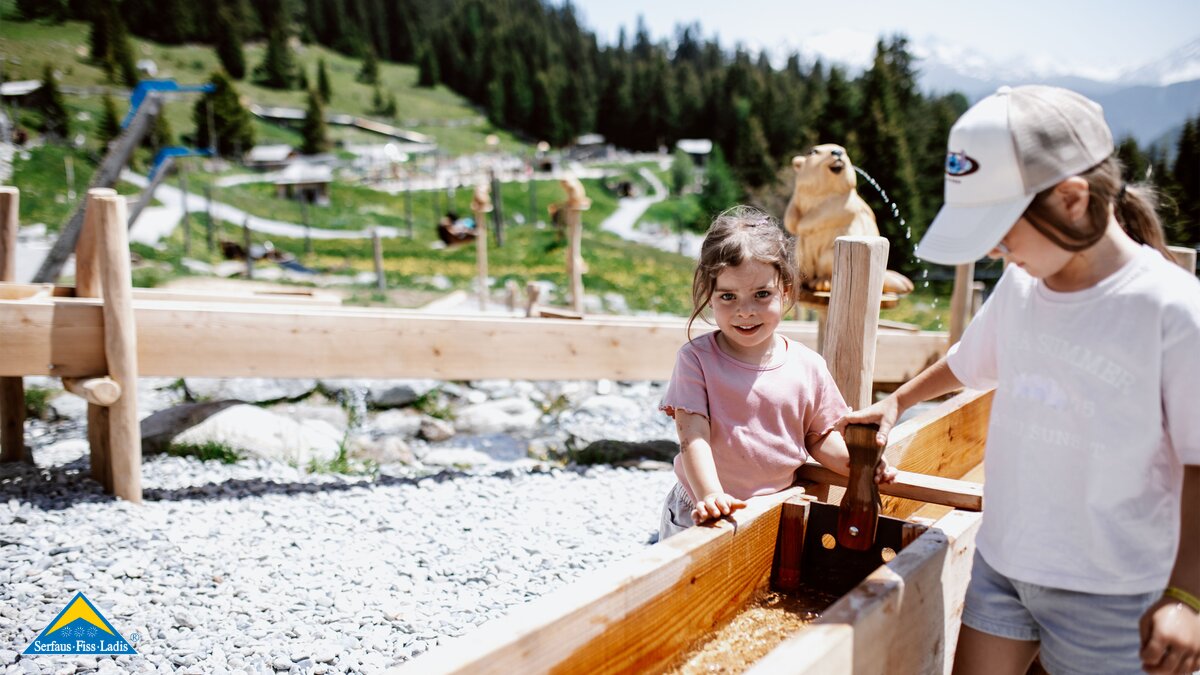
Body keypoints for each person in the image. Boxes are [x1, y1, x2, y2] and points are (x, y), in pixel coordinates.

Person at [837, 85, 1200, 675]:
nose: (998, 252)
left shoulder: (1174, 312)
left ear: (1072, 199)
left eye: (1002, 231)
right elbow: (969, 361)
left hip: (1117, 594)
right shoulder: (1023, 286)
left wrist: (1188, 600)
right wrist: (896, 403)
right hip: (1004, 567)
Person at [658, 205, 896, 540]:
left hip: (776, 510)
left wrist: (860, 468)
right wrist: (711, 495)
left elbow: (819, 436)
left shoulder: (808, 366)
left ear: (784, 290)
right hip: (703, 508)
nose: (745, 311)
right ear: (709, 297)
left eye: (761, 295)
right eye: (728, 296)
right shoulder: (697, 360)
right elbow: (692, 437)